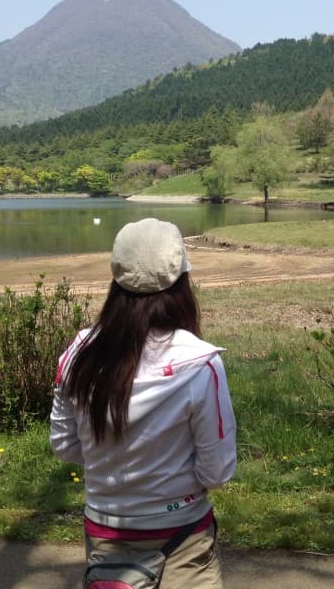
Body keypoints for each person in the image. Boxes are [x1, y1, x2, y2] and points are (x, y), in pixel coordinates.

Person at [50, 217, 237, 589]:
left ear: (116, 278)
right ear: (182, 281)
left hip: (105, 534)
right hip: (183, 536)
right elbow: (217, 472)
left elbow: (65, 445)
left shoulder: (79, 353)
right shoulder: (201, 363)